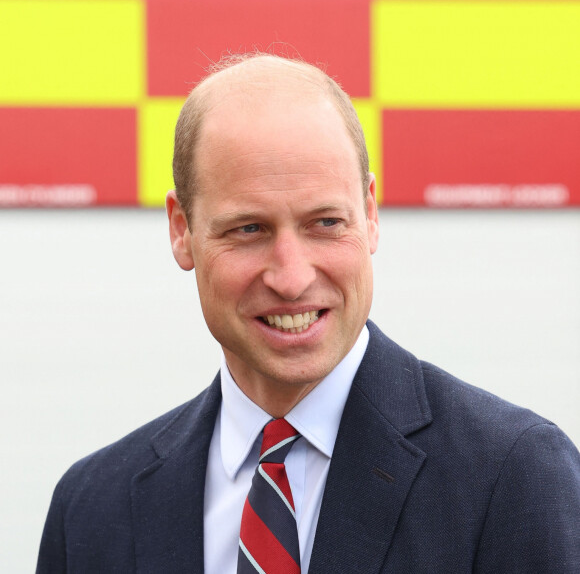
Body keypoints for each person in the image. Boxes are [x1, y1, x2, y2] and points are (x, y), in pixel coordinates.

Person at [37, 53, 580, 573]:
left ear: (369, 214)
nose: (292, 277)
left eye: (325, 223)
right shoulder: (90, 512)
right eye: (248, 229)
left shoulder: (516, 476)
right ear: (181, 229)